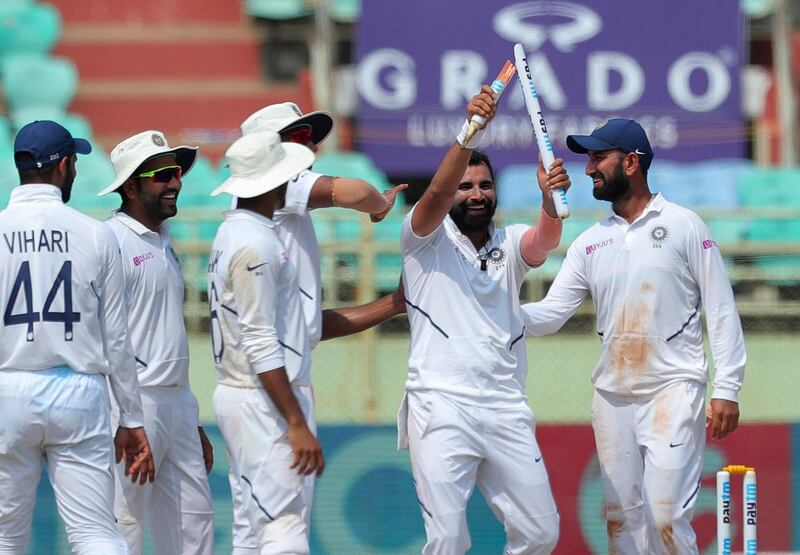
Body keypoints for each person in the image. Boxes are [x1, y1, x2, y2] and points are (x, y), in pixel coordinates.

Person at [521, 118, 746, 553]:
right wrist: (488, 313)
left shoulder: (684, 224)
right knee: (621, 522)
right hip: (612, 397)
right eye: (587, 159)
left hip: (673, 389)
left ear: (630, 162)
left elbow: (720, 308)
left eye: (597, 158)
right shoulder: (590, 242)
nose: (588, 170)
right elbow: (550, 314)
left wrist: (728, 387)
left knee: (665, 515)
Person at [227, 102, 407, 549]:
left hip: (258, 385)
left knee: (254, 530)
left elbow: (310, 325)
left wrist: (393, 304)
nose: (312, 144)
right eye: (299, 135)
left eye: (310, 135)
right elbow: (355, 190)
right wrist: (378, 208)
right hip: (273, 389)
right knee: (285, 527)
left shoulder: (258, 218)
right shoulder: (281, 186)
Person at [399, 86, 570, 554]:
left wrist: (549, 197)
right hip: (440, 404)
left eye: (485, 186)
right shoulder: (423, 238)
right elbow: (435, 191)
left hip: (504, 406)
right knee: (448, 539)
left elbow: (543, 243)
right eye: (466, 186)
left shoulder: (509, 242)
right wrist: (469, 132)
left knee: (541, 533)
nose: (476, 195)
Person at [0, 120, 155, 554]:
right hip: (79, 392)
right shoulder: (96, 233)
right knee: (95, 533)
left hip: (8, 388)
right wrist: (131, 418)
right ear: (64, 165)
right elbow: (118, 340)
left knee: (5, 537)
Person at [96, 130, 215, 554]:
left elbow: (164, 334)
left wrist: (191, 416)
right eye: (162, 175)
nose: (176, 183)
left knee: (194, 529)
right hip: (132, 406)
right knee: (123, 527)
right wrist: (129, 420)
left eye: (177, 172)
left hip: (177, 402)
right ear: (130, 186)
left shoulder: (165, 241)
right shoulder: (110, 241)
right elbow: (106, 339)